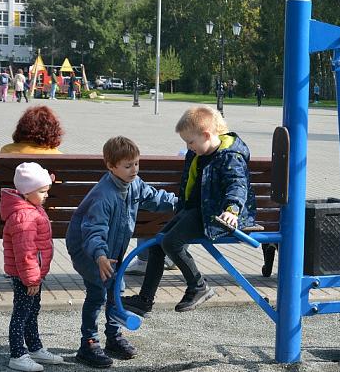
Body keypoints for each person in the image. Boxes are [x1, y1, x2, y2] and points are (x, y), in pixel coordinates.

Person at [121, 106, 256, 317]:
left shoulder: (230, 156)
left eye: (190, 142)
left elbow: (237, 184)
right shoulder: (197, 153)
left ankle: (198, 286)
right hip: (196, 210)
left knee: (170, 243)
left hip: (218, 216)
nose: (188, 146)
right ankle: (144, 300)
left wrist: (232, 209)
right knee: (157, 245)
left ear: (206, 135)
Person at [65, 136, 177, 368]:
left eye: (136, 163)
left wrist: (180, 203)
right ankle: (88, 343)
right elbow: (93, 230)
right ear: (110, 166)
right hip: (89, 251)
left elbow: (154, 197)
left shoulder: (134, 184)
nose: (134, 169)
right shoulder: (103, 196)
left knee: (116, 288)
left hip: (110, 251)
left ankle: (113, 337)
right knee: (99, 293)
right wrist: (99, 256)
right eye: (128, 166)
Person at [0, 162, 64, 371]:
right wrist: (32, 279)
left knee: (32, 311)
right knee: (21, 313)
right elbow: (25, 252)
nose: (46, 195)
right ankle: (17, 354)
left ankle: (35, 347)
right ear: (27, 192)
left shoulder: (32, 208)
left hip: (33, 274)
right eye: (42, 191)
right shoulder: (24, 216)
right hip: (26, 276)